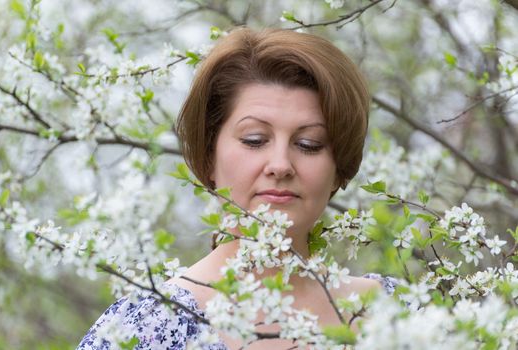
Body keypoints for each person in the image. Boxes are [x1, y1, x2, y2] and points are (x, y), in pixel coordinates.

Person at [77, 27, 398, 350]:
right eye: (254, 140)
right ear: (208, 155)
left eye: (308, 144)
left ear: (340, 168)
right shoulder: (146, 330)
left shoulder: (394, 314)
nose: (281, 164)